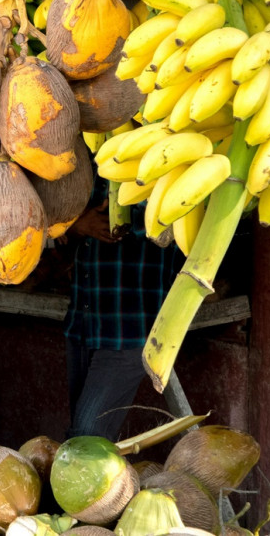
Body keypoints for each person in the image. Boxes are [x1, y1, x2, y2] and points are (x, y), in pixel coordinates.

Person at [63, 177, 180, 440]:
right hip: (83, 324)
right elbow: (60, 221)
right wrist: (76, 224)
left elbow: (166, 223)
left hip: (128, 330)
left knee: (86, 436)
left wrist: (114, 220)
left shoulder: (162, 164)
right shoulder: (90, 164)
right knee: (85, 440)